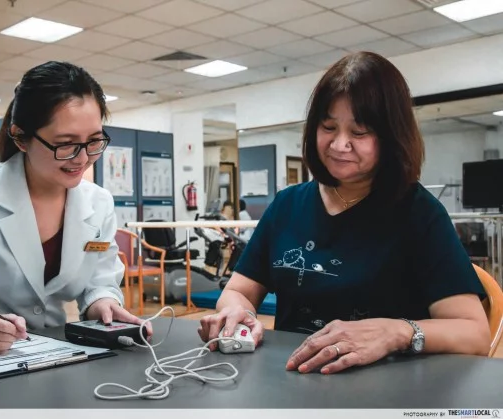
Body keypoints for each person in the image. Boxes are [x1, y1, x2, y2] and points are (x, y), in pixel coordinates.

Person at [198, 51, 490, 374]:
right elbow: (238, 291)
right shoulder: (286, 206)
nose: (339, 145)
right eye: (328, 127)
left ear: (391, 136)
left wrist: (396, 332)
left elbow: (474, 333)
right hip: (292, 380)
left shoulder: (420, 214)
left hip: (384, 390)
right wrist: (238, 312)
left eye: (359, 132)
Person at [0, 61, 150, 355]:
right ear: (21, 137)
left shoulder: (98, 202)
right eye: (65, 144)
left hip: (52, 350)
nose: (82, 158)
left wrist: (104, 304)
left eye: (94, 141)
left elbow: (99, 283)